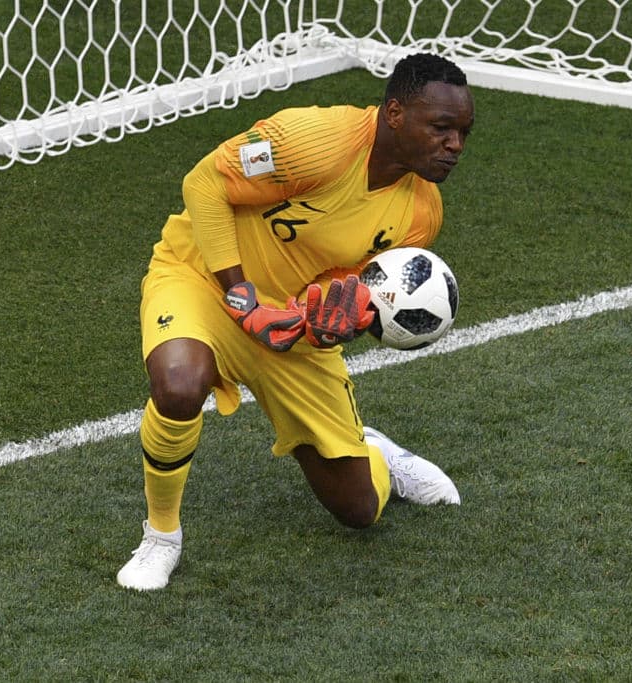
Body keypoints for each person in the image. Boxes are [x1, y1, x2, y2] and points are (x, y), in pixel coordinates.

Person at [117, 53, 475, 591]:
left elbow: (347, 285)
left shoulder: (420, 215)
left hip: (283, 320)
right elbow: (205, 184)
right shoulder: (315, 140)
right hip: (200, 279)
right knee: (178, 384)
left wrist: (324, 318)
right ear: (395, 113)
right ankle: (160, 537)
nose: (455, 146)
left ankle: (377, 454)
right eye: (442, 128)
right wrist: (241, 295)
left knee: (359, 509)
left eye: (463, 133)